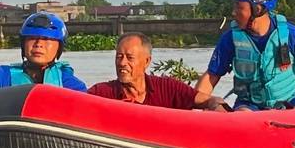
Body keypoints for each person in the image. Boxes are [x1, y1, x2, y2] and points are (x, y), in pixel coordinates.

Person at [88, 32, 230, 111]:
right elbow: (77, 103)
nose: (122, 63)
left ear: (147, 62)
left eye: (130, 58)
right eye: (119, 57)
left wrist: (216, 107)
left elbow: (208, 100)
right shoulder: (102, 93)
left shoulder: (167, 88)